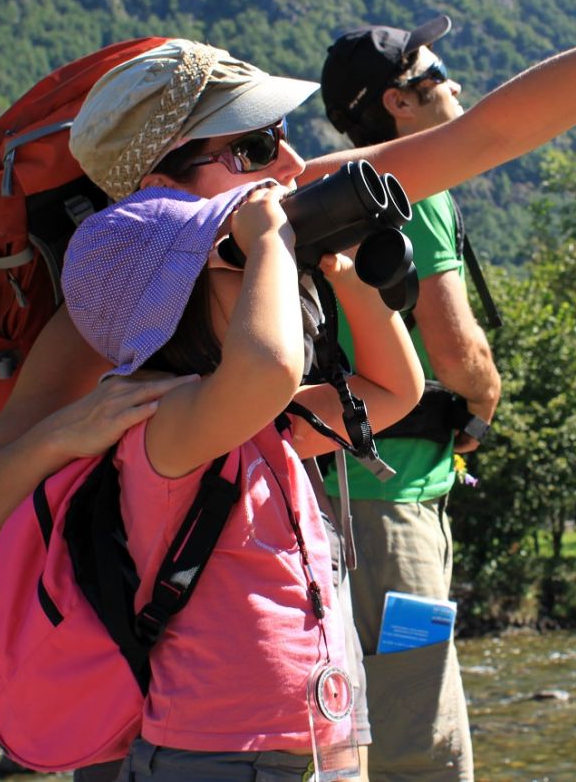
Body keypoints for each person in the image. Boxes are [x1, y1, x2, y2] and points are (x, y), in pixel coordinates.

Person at [0, 0, 576, 770]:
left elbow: (486, 134)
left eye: (289, 135)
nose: (295, 165)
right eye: (260, 142)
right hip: (144, 707)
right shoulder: (94, 317)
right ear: (163, 183)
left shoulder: (280, 209)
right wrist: (71, 433)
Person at [55, 150, 420, 779]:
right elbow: (269, 366)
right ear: (172, 310)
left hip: (316, 736)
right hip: (214, 753)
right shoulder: (163, 428)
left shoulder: (262, 427)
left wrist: (345, 276)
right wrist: (271, 235)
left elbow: (394, 392)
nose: (264, 278)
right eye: (237, 266)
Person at [316, 15, 496, 779]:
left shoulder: (338, 187)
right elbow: (456, 353)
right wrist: (484, 406)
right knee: (419, 728)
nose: (454, 83)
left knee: (347, 729)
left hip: (330, 494)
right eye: (438, 72)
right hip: (390, 510)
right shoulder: (411, 186)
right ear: (399, 102)